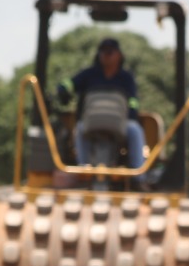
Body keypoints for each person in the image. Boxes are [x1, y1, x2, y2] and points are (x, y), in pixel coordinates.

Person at [56, 37, 146, 178]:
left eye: (110, 52)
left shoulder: (126, 78)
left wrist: (132, 114)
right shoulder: (89, 74)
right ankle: (84, 172)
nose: (106, 55)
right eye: (103, 52)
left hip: (121, 123)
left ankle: (139, 177)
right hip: (90, 122)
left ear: (119, 55)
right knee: (79, 129)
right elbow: (70, 83)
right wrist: (63, 88)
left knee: (135, 130)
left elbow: (133, 101)